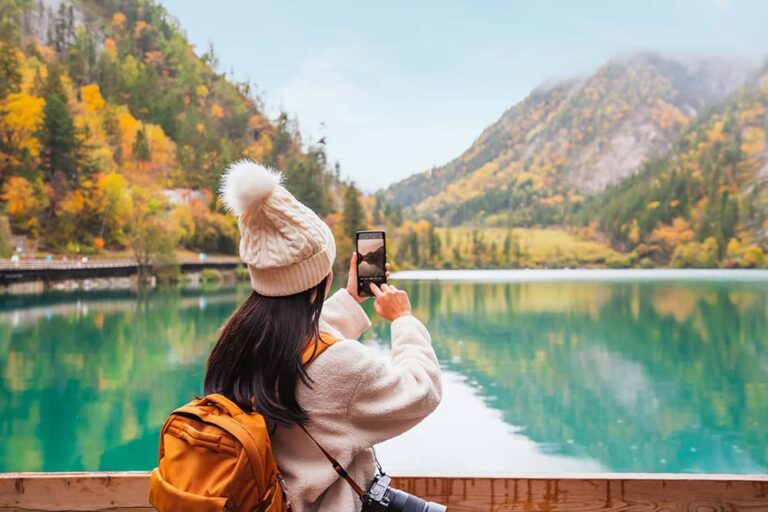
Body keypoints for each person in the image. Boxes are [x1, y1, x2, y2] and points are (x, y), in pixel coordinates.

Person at [204, 160, 442, 511]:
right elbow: (422, 390)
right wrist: (403, 320)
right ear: (322, 278)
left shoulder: (236, 344)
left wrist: (347, 301)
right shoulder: (343, 367)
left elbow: (300, 349)